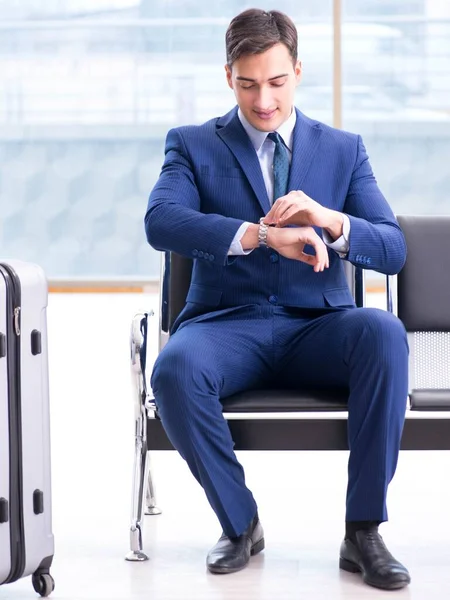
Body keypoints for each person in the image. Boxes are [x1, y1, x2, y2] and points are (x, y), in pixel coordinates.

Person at [144, 8, 410, 591]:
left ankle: (363, 530)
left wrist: (330, 219)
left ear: (298, 70)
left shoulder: (343, 149)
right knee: (175, 368)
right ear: (228, 75)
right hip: (225, 325)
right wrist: (262, 235)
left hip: (318, 328)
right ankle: (240, 524)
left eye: (276, 81)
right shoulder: (192, 144)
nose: (263, 100)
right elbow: (161, 222)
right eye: (247, 83)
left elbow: (391, 249)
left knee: (384, 333)